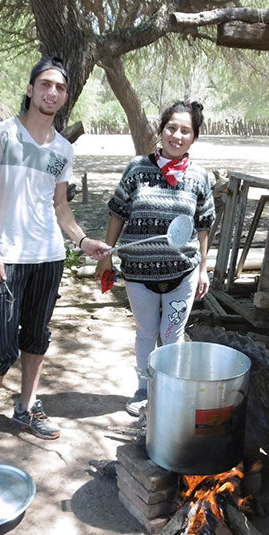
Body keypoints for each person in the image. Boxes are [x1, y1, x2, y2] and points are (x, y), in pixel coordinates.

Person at [0, 56, 109, 464]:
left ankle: (27, 407)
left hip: (48, 257)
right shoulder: (4, 135)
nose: (52, 92)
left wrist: (82, 240)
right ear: (31, 89)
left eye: (60, 88)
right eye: (45, 84)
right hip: (6, 258)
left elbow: (60, 206)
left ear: (65, 98)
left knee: (36, 337)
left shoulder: (63, 149)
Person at [95, 100, 215, 416]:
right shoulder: (137, 169)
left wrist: (203, 269)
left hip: (183, 274)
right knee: (147, 333)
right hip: (138, 275)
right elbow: (117, 213)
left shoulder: (200, 177)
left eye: (185, 130)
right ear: (161, 131)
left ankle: (170, 391)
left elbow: (203, 228)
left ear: (194, 137)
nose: (177, 135)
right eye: (171, 128)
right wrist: (106, 256)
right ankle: (143, 388)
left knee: (172, 335)